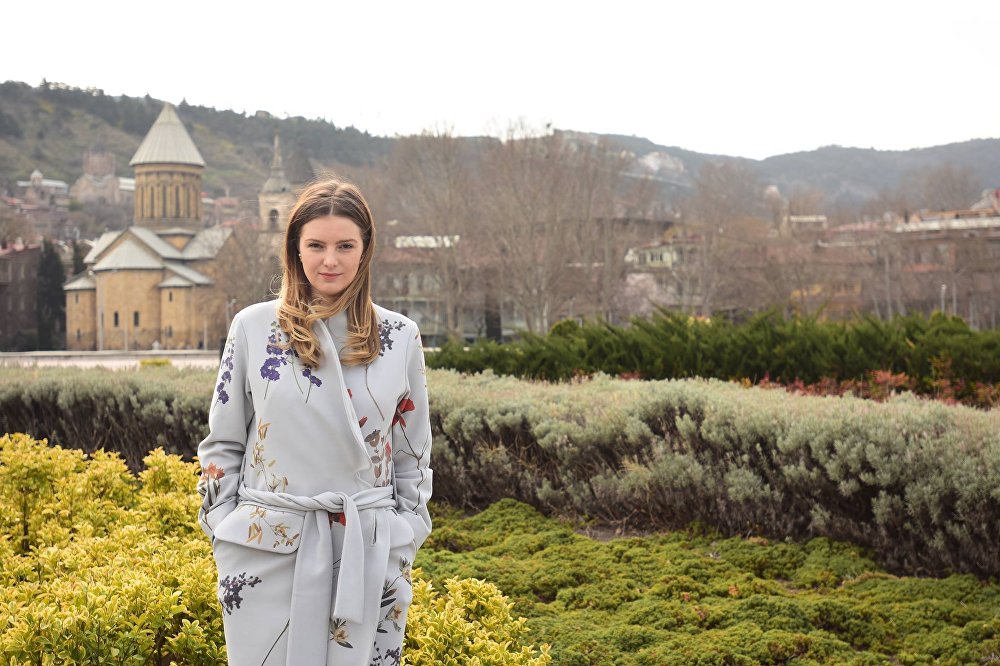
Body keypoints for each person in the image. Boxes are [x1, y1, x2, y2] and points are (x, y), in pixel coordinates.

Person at [197, 177, 433, 666]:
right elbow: (222, 441)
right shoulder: (252, 328)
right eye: (316, 246)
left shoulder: (400, 336)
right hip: (265, 548)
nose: (330, 260)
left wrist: (405, 533)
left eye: (345, 245)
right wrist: (224, 528)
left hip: (369, 550)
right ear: (295, 249)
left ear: (365, 249)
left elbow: (413, 452)